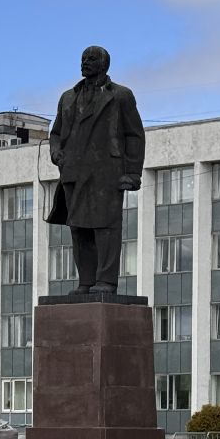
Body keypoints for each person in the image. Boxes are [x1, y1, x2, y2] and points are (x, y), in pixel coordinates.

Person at [45, 45, 145, 295]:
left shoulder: (121, 95)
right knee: (79, 228)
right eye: (83, 59)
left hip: (107, 172)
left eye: (91, 59)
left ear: (104, 65)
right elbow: (56, 133)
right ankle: (86, 281)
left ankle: (106, 281)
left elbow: (134, 135)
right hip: (74, 172)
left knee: (105, 227)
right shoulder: (68, 97)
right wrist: (56, 152)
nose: (85, 62)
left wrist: (133, 173)